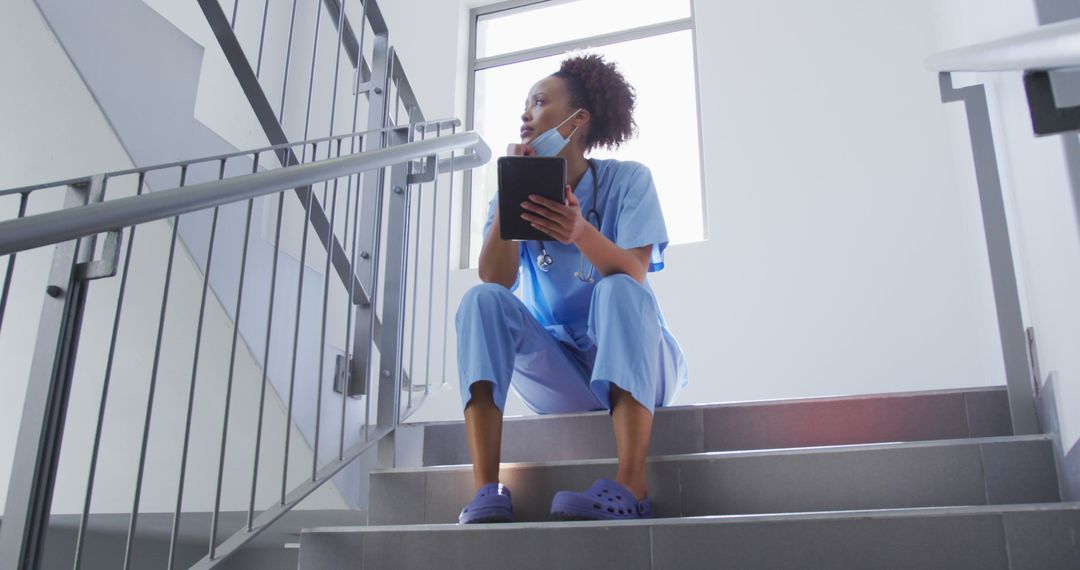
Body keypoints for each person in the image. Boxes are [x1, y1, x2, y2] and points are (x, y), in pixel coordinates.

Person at [455, 54, 688, 524]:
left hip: (640, 365)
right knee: (480, 301)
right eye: (524, 105)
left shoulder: (629, 180)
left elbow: (634, 272)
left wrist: (579, 231)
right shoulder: (511, 191)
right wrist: (509, 196)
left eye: (539, 102)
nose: (525, 115)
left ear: (577, 120)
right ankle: (486, 489)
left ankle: (631, 486)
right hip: (563, 373)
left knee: (618, 289)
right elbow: (494, 279)